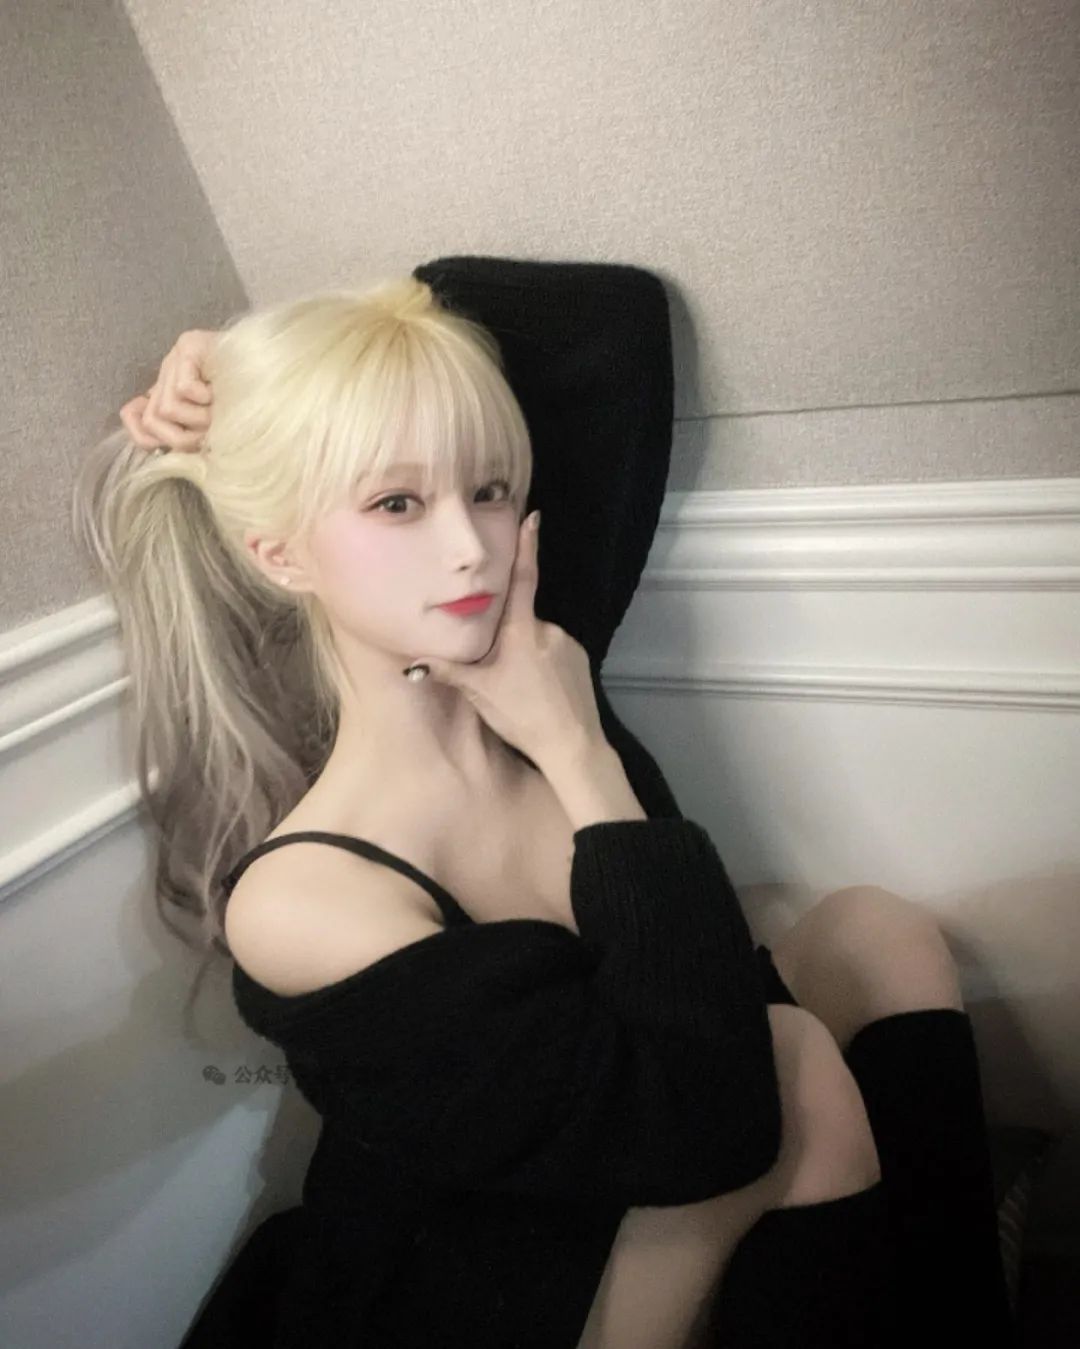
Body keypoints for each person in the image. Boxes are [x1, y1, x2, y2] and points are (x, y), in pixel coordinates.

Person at [80, 257, 1013, 1348]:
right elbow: (711, 1121)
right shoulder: (307, 899)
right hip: (492, 1266)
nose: (470, 547)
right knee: (795, 1065)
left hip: (653, 1097)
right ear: (280, 553)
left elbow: (608, 323)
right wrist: (577, 750)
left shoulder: (528, 652)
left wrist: (254, 357)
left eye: (488, 490)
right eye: (395, 502)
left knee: (877, 934)